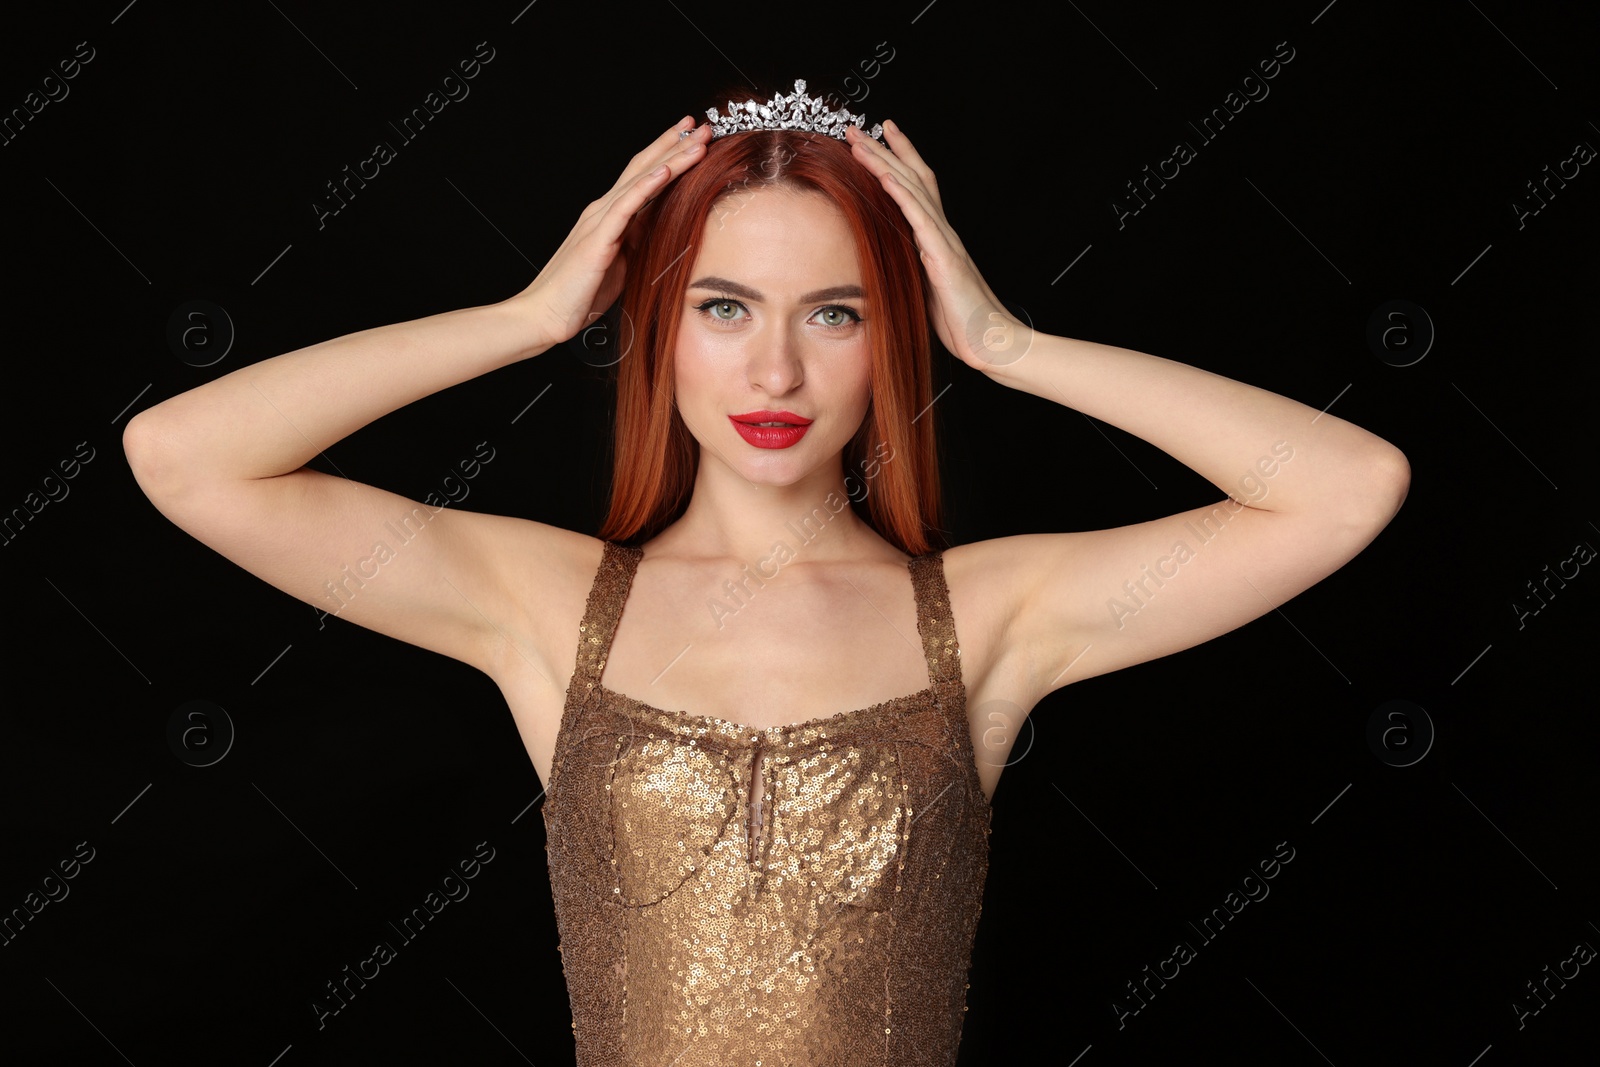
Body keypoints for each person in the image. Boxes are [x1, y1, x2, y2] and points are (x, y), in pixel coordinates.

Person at [123, 79, 1409, 1065]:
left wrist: (1010, 344)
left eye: (834, 312)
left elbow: (1344, 487)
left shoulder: (990, 617)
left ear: (891, 335)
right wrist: (525, 317)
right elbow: (184, 455)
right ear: (658, 328)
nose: (777, 374)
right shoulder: (545, 603)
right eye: (724, 307)